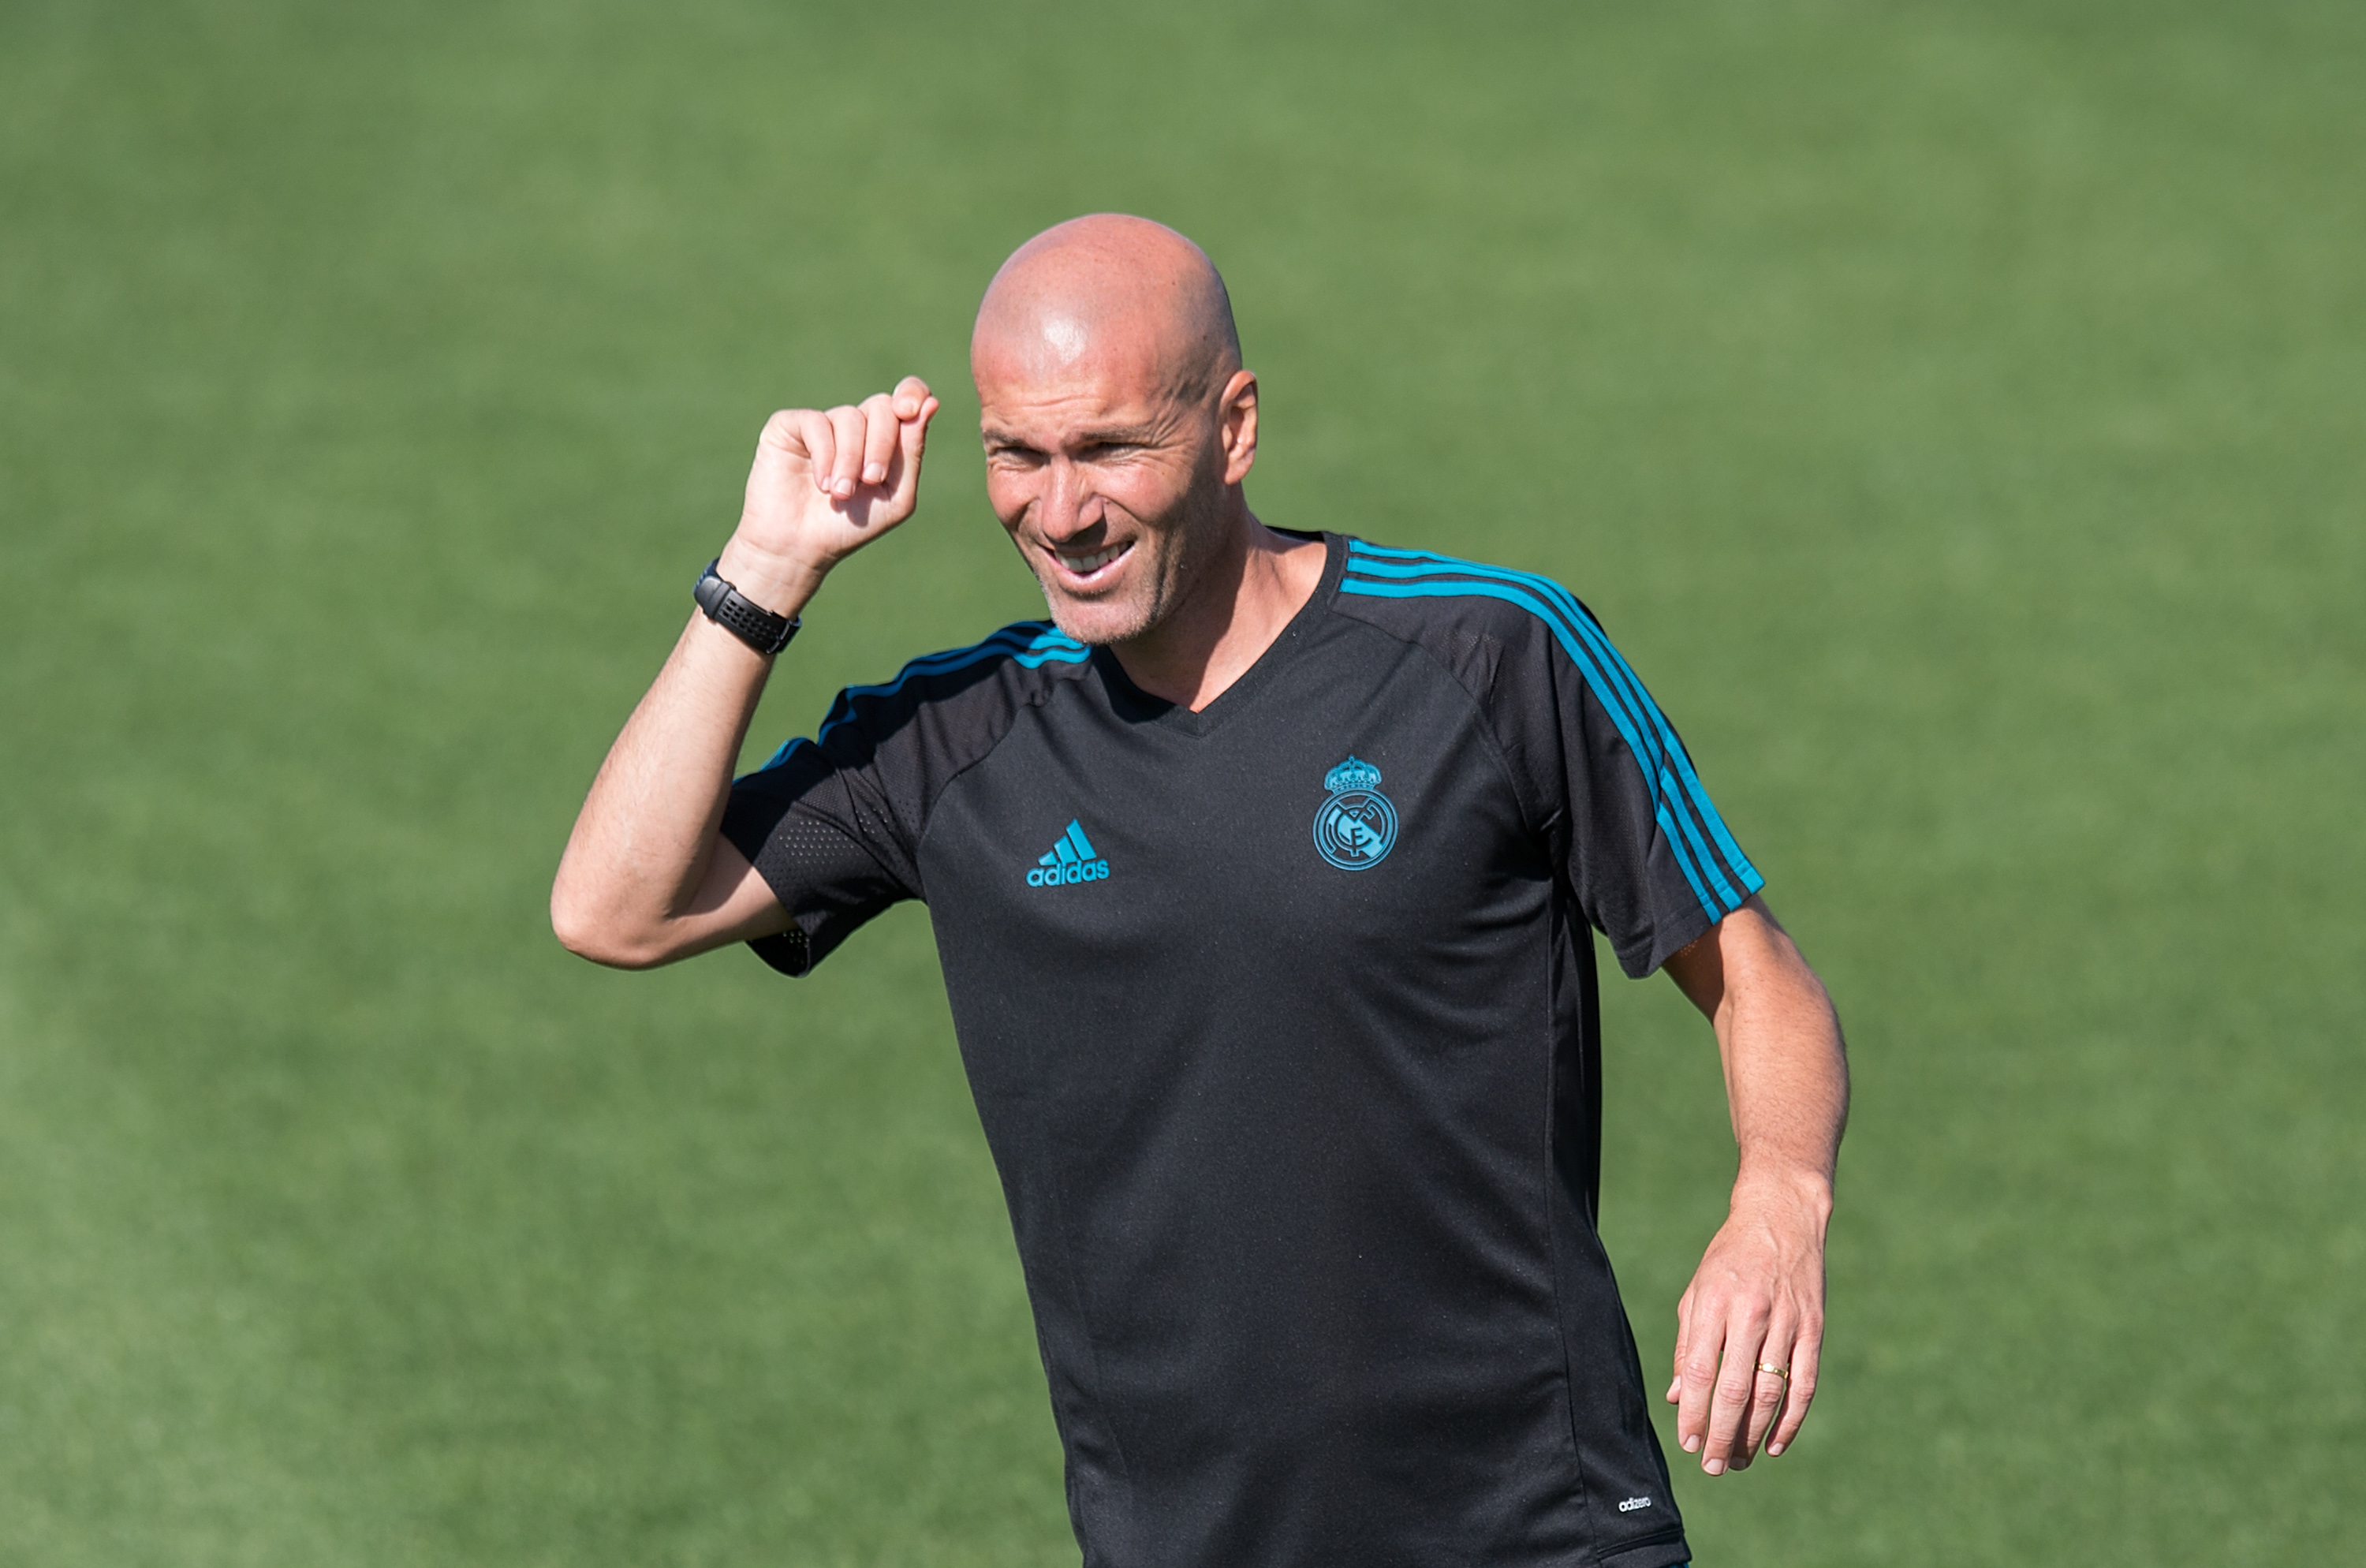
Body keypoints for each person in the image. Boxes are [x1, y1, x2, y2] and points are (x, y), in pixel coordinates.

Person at [551, 214, 1848, 1568]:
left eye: (1110, 449)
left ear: (1232, 429)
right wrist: (765, 575)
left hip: (1533, 1532)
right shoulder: (959, 742)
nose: (1061, 513)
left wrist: (1778, 1202)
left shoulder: (1490, 656)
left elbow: (1756, 974)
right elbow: (616, 909)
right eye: (1018, 455)